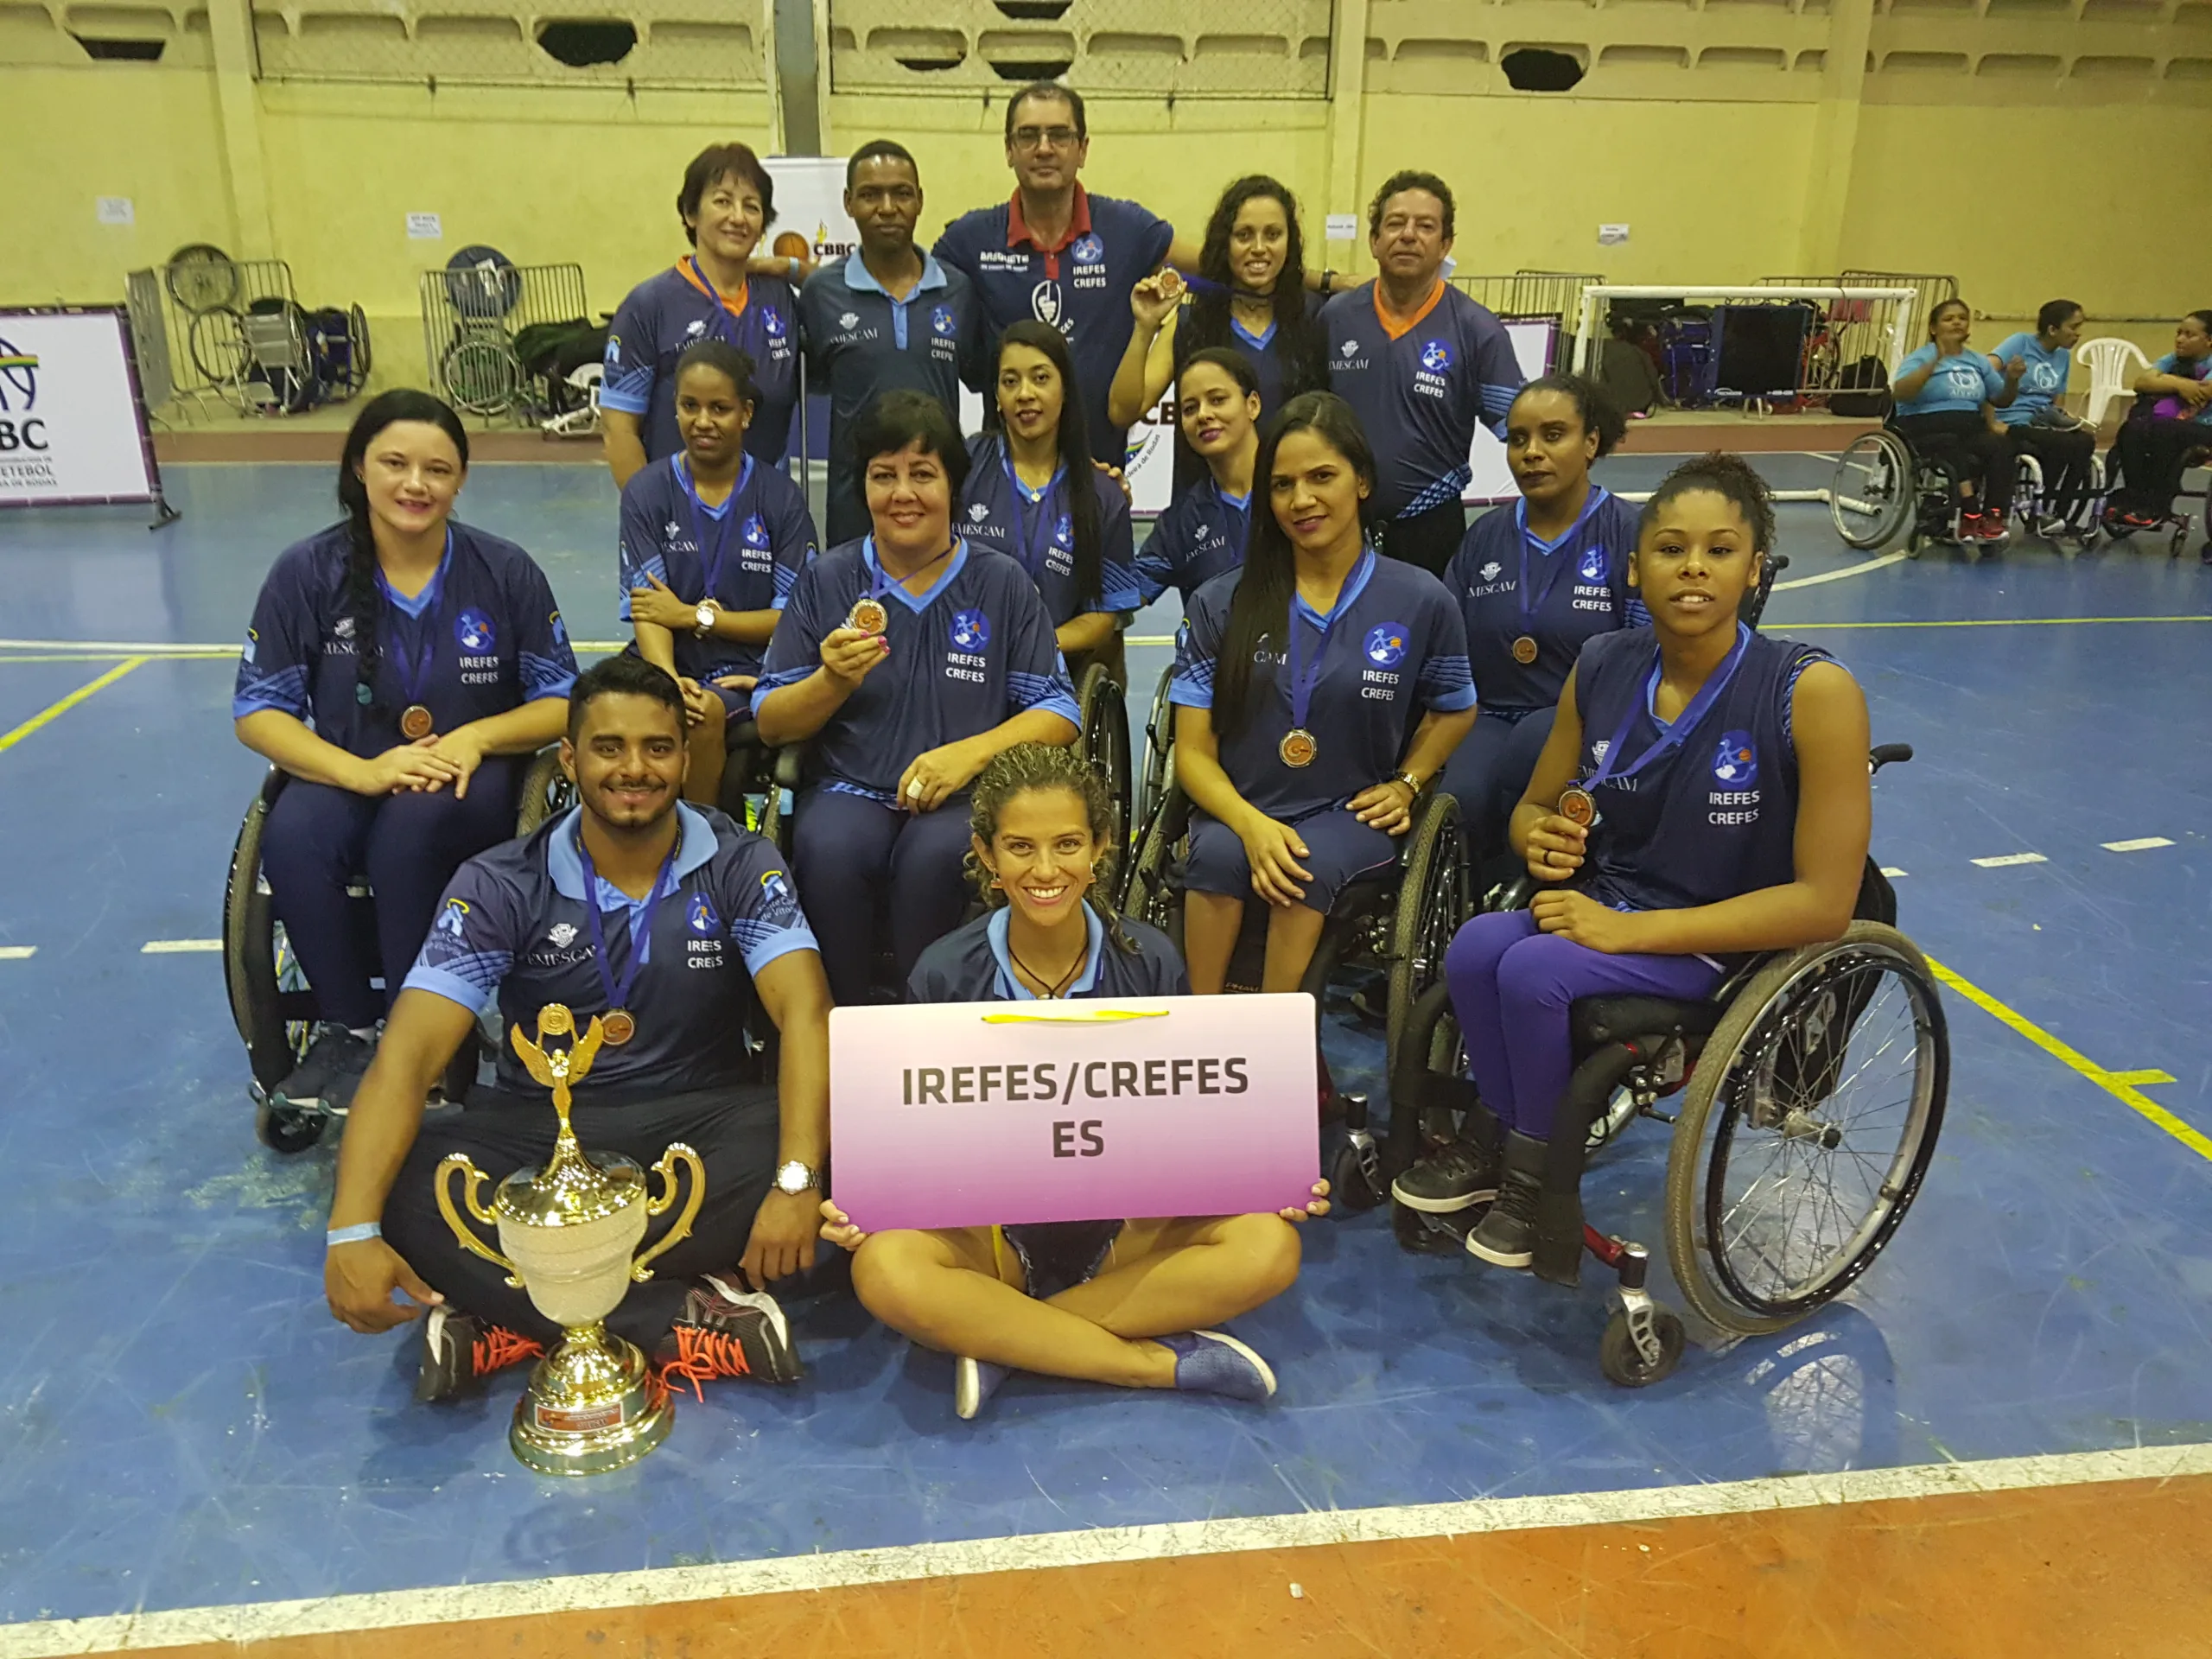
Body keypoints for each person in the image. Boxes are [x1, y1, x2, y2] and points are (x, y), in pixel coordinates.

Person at [1390, 454, 1872, 1268]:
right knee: (1476, 947)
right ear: (1633, 568)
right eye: (1670, 549)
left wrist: (1623, 934)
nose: (1692, 568)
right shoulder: (1606, 664)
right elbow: (1532, 811)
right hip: (1610, 906)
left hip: (1724, 939)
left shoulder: (1812, 691)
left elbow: (1826, 904)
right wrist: (1538, 835)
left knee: (1536, 971)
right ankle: (1505, 1138)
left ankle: (1535, 1176)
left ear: (1754, 569)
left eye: (1719, 551)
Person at [321, 653, 833, 1402]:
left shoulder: (739, 862)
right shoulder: (500, 882)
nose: (635, 769)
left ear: (685, 758)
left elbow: (805, 1013)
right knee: (392, 1178)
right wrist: (350, 1234)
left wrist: (795, 1181)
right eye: (609, 747)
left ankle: (511, 1306)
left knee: (835, 1141)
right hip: (539, 1134)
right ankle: (668, 1315)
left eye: (657, 748)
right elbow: (407, 1059)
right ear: (569, 758)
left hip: (699, 1128)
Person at [817, 743, 1329, 1420]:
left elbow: (1190, 1119)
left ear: (1101, 848)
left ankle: (1008, 1339)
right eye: (1020, 847)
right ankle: (1149, 1363)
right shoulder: (943, 972)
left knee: (1269, 1246)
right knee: (883, 1268)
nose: (1047, 869)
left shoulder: (1150, 960)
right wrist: (869, 1202)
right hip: (991, 1230)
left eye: (1067, 844)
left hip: (1127, 1228)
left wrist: (1264, 1174)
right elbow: (916, 1140)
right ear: (987, 856)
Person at [233, 391, 577, 1116]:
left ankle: (413, 1037)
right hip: (349, 767)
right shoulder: (307, 572)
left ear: (460, 481)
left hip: (470, 776)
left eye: (437, 469)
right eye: (395, 463)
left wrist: (476, 736)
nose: (415, 484)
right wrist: (364, 770)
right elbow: (259, 711)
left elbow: (560, 699)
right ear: (360, 467)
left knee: (408, 835)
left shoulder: (503, 570)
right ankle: (346, 1026)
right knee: (292, 837)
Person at [753, 390, 1082, 1006]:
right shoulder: (829, 579)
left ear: (953, 486)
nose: (903, 493)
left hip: (963, 796)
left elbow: (1060, 711)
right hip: (851, 788)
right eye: (884, 476)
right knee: (827, 851)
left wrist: (969, 755)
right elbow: (770, 721)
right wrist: (831, 683)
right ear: (863, 487)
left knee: (935, 861)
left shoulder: (1000, 580)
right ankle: (840, 1031)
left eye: (922, 474)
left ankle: (922, 1034)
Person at [1169, 391, 1478, 995]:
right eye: (1283, 485)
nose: (1302, 500)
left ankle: (1273, 1041)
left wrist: (1409, 781)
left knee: (1304, 863)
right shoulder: (1222, 602)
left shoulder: (1419, 598)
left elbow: (1456, 707)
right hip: (1241, 806)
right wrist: (1251, 826)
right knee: (1213, 857)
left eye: (1322, 477)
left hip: (1347, 814)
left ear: (1361, 482)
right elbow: (1193, 755)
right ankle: (1201, 1035)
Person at [1440, 376, 1646, 858]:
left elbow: (1644, 655)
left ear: (1591, 441)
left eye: (1553, 435)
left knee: (1528, 763)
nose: (1532, 452)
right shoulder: (1483, 537)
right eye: (1518, 439)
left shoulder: (1630, 534)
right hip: (1490, 716)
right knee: (1460, 799)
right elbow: (1446, 647)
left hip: (1589, 724)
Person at [932, 81, 1183, 469]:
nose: (1044, 148)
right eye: (1029, 135)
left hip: (1101, 473)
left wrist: (1314, 281)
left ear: (1082, 149)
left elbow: (1224, 261)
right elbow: (905, 283)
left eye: (1060, 135)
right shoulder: (968, 240)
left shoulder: (1128, 230)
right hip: (1005, 480)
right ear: (1009, 150)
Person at [618, 340, 818, 808]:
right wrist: (665, 676)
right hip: (663, 661)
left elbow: (791, 618)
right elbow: (649, 610)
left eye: (719, 408)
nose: (703, 421)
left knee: (701, 713)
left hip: (746, 671)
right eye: (690, 406)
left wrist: (695, 617)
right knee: (605, 711)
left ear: (746, 414)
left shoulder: (780, 498)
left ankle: (701, 836)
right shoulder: (647, 491)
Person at [1319, 170, 1525, 576]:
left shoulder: (1477, 330)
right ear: (1374, 240)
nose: (1409, 235)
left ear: (1445, 245)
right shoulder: (1334, 319)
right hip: (1337, 527)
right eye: (1395, 223)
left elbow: (1525, 432)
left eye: (1425, 226)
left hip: (1431, 534)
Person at [799, 139, 981, 548]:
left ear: (919, 200)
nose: (886, 208)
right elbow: (818, 378)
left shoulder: (959, 290)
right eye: (870, 195)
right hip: (854, 506)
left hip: (937, 500)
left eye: (901, 193)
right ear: (848, 203)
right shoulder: (821, 292)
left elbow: (982, 377)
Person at [1107, 175, 1333, 498]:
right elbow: (1123, 411)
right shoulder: (1191, 322)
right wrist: (1144, 328)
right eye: (1243, 235)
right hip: (1204, 516)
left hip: (1290, 509)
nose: (1258, 248)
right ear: (1223, 243)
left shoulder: (1316, 318)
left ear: (1290, 242)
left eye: (1272, 235)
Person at [601, 142, 804, 488]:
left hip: (764, 517)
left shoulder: (779, 297)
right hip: (680, 520)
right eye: (722, 201)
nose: (738, 217)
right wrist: (648, 516)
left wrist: (793, 266)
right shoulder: (650, 304)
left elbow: (837, 288)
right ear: (691, 214)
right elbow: (618, 429)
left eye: (751, 206)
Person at [961, 321, 1140, 677]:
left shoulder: (1102, 494)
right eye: (1010, 381)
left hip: (1051, 674)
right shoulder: (961, 468)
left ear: (1066, 389)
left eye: (1040, 378)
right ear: (996, 395)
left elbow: (1104, 615)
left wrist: (1036, 645)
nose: (1024, 394)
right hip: (963, 662)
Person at [1135, 348, 1262, 613]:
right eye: (1190, 408)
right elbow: (1124, 595)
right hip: (1214, 655)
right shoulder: (1181, 521)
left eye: (1217, 400)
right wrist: (1105, 508)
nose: (1203, 415)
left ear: (1253, 405)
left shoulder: (1296, 494)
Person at [1891, 297, 2023, 543]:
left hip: (1968, 425)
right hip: (1923, 423)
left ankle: (1993, 514)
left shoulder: (1977, 361)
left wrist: (2012, 380)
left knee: (2003, 446)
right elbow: (1901, 393)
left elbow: (2001, 400)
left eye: (1962, 318)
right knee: (1950, 441)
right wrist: (1933, 363)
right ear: (1933, 328)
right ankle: (1969, 509)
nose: (1957, 323)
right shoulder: (1920, 357)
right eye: (1949, 319)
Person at [1985, 300, 2094, 543]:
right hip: (2012, 419)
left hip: (2043, 421)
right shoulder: (2020, 342)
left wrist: (2063, 420)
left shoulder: (2064, 356)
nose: (2078, 334)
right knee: (2059, 444)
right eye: (2073, 327)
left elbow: (2058, 400)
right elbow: (1986, 368)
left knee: (2085, 441)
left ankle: (2059, 512)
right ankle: (2040, 512)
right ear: (2053, 329)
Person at [2105, 309, 2212, 538]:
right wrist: (2179, 385)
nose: (2180, 339)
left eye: (2189, 335)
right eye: (2179, 333)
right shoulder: (2173, 359)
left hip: (2205, 428)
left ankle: (2157, 504)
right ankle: (2133, 498)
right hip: (2174, 426)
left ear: (2209, 340)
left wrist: (2165, 382)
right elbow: (2142, 382)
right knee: (2133, 428)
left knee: (2164, 429)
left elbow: (2206, 391)